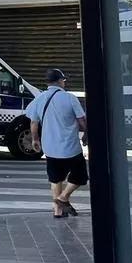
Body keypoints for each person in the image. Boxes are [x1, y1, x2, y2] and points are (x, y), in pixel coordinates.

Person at [26, 69, 88, 218]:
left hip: (50, 147)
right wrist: (86, 134)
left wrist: (35, 139)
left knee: (56, 178)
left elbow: (34, 122)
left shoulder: (39, 99)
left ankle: (58, 211)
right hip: (70, 147)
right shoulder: (69, 98)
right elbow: (82, 120)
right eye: (63, 80)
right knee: (80, 176)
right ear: (60, 81)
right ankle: (62, 198)